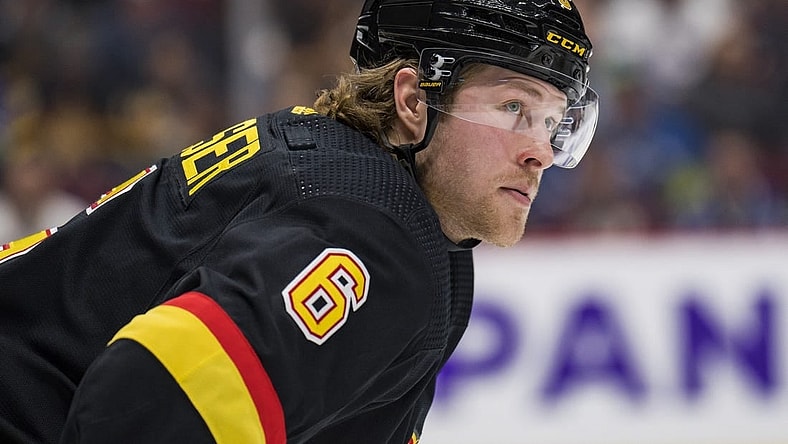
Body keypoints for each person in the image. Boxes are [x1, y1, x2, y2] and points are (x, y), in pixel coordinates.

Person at [0, 0, 598, 442]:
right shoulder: (374, 235)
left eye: (553, 122)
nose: (540, 151)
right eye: (513, 106)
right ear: (414, 101)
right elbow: (141, 400)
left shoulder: (349, 180)